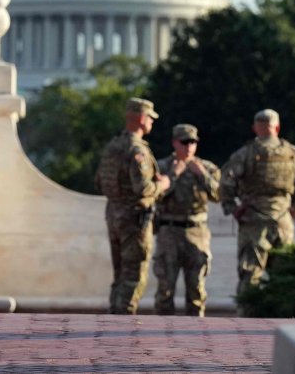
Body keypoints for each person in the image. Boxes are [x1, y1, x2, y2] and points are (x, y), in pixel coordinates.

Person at [220, 109, 295, 294]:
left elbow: (226, 180)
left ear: (255, 128)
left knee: (250, 272)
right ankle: (281, 315)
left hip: (254, 219)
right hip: (283, 219)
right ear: (277, 127)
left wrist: (232, 208)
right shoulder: (292, 152)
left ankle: (247, 317)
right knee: (284, 274)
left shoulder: (246, 153)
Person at [93, 97, 169, 314]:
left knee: (120, 275)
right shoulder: (137, 150)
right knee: (133, 276)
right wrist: (162, 185)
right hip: (134, 220)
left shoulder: (113, 146)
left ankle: (114, 315)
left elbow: (99, 181)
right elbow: (143, 189)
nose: (152, 123)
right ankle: (122, 323)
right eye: (150, 119)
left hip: (114, 215)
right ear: (142, 118)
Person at [153, 123, 220, 316]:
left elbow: (219, 194)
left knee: (196, 290)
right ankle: (162, 334)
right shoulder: (163, 166)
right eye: (184, 142)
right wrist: (174, 175)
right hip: (169, 232)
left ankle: (195, 336)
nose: (189, 146)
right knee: (165, 290)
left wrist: (202, 175)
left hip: (196, 232)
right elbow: (155, 195)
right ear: (175, 143)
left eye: (193, 142)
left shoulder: (206, 167)